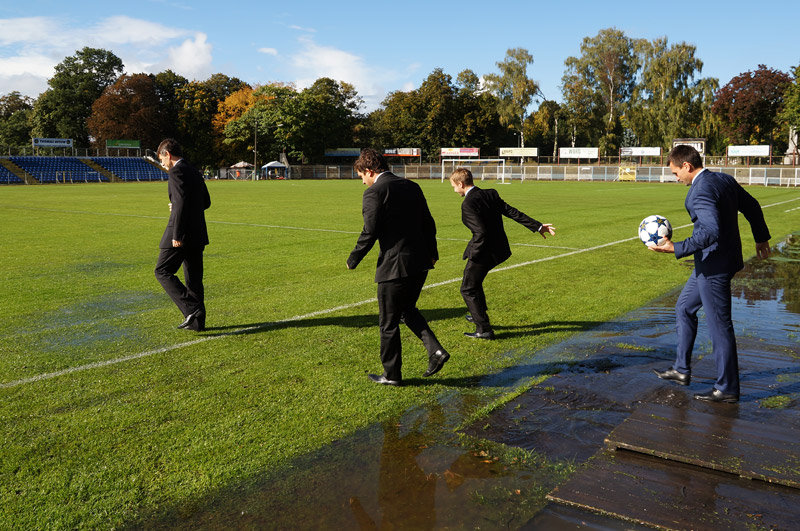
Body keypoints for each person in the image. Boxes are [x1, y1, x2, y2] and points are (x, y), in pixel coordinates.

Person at [651, 145, 771, 403]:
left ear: (687, 166)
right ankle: (681, 370)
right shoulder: (723, 179)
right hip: (716, 262)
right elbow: (752, 205)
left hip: (714, 266)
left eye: (675, 173)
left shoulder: (701, 190)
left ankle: (727, 388)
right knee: (684, 307)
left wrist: (676, 247)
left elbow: (710, 231)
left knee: (719, 326)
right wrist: (761, 238)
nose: (675, 179)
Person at [347, 148, 450, 386]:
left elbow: (369, 231)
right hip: (421, 262)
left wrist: (353, 258)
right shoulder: (412, 186)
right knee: (408, 310)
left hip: (395, 266)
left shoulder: (375, 192)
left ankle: (392, 375)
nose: (362, 182)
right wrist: (432, 254)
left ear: (370, 171)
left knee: (388, 322)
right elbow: (429, 223)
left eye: (362, 176)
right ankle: (436, 352)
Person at [449, 168, 555, 339]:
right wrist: (537, 226)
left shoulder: (467, 204)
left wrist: (473, 254)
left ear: (461, 184)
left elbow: (480, 232)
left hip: (485, 251)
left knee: (467, 288)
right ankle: (478, 316)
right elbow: (511, 211)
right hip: (500, 249)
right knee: (474, 283)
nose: (454, 190)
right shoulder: (490, 193)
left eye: (454, 186)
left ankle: (484, 329)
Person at [154, 138, 211, 332]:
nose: (162, 164)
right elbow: (206, 202)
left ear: (167, 154)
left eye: (161, 159)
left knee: (162, 271)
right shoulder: (194, 170)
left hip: (182, 233)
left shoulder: (176, 171)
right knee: (193, 279)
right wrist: (179, 205)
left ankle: (192, 309)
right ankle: (197, 324)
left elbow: (181, 202)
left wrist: (176, 234)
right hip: (198, 233)